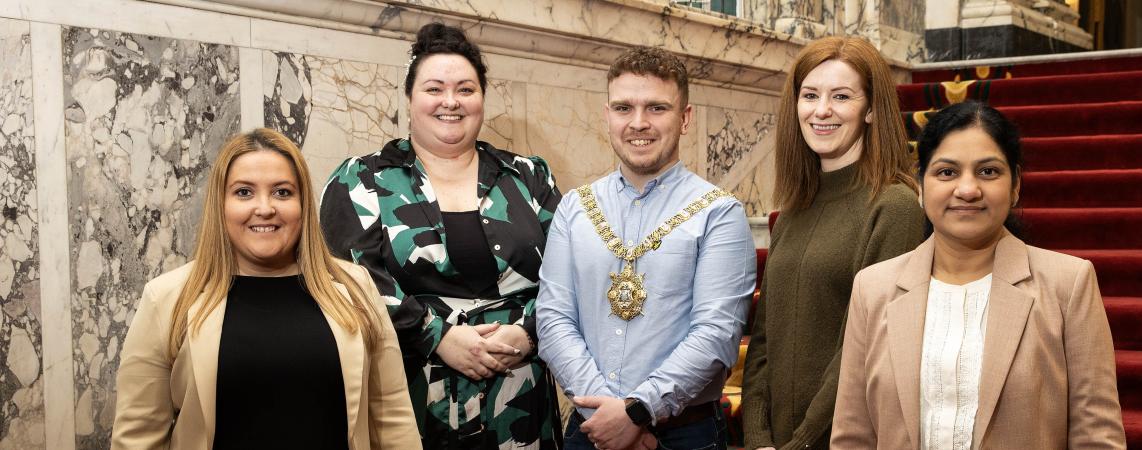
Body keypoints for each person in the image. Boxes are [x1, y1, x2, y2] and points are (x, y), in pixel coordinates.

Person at [320, 22, 563, 449]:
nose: (450, 101)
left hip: (522, 404)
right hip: (412, 401)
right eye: (434, 89)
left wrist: (528, 331)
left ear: (482, 100)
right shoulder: (362, 179)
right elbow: (348, 281)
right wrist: (439, 337)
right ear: (410, 99)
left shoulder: (529, 176)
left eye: (466, 90)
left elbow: (571, 272)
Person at [831, 101, 1126, 449]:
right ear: (921, 187)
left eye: (988, 172)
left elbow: (1097, 438)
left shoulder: (1068, 284)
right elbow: (853, 436)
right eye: (946, 172)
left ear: (1015, 185)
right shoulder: (874, 287)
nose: (967, 189)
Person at [112, 128, 421, 449]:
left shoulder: (357, 289)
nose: (264, 207)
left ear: (303, 203)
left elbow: (393, 419)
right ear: (221, 204)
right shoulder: (166, 299)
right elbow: (138, 437)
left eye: (282, 192)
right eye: (244, 192)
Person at [537, 45, 757, 450]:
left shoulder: (719, 213)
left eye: (656, 108)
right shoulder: (574, 207)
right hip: (591, 430)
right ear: (607, 116)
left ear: (685, 118)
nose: (638, 123)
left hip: (684, 435)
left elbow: (717, 334)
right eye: (623, 108)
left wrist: (638, 412)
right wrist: (607, 419)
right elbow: (553, 321)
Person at [741, 36, 925, 450]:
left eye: (841, 96)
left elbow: (864, 349)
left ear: (872, 109)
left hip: (843, 439)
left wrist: (804, 440)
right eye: (810, 95)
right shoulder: (792, 210)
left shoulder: (894, 206)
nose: (821, 110)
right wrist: (756, 436)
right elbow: (764, 337)